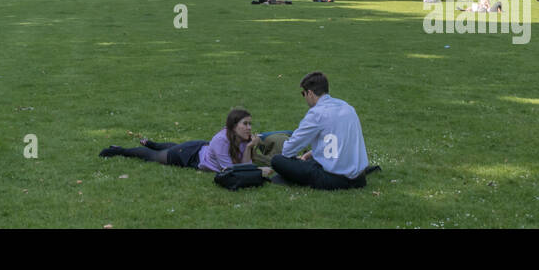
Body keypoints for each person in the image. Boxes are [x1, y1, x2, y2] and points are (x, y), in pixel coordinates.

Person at [272, 72, 371, 190]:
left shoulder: (317, 113)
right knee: (309, 161)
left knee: (277, 160)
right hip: (359, 178)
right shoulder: (347, 107)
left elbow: (288, 150)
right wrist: (312, 153)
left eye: (303, 94)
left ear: (310, 93)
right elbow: (340, 142)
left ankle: (291, 177)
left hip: (334, 179)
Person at [100, 108, 259, 173]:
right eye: (245, 124)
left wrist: (250, 147)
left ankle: (152, 143)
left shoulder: (245, 139)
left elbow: (246, 166)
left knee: (173, 148)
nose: (249, 127)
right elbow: (231, 171)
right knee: (155, 156)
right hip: (190, 156)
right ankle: (119, 150)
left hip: (198, 148)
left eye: (250, 124)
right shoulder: (221, 140)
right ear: (233, 126)